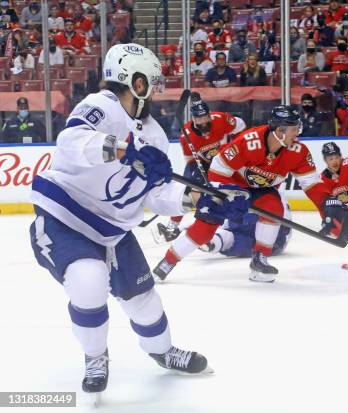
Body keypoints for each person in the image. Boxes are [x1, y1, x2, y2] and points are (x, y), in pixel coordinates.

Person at [28, 44, 223, 401]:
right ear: (135, 81)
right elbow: (71, 141)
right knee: (89, 280)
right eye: (151, 80)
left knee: (144, 300)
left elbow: (154, 195)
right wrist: (122, 150)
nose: (156, 87)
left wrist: (196, 200)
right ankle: (95, 357)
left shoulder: (155, 134)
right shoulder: (100, 105)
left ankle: (163, 351)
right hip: (66, 217)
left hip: (112, 229)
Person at [154, 106, 337, 284]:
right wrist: (226, 193)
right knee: (205, 226)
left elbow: (312, 184)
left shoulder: (298, 152)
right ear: (279, 131)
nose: (297, 133)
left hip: (262, 190)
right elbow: (218, 167)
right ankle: (167, 262)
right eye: (294, 129)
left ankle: (259, 261)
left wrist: (327, 207)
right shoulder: (249, 142)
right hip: (231, 184)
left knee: (274, 209)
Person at [154, 93, 246, 242]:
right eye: (199, 118)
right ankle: (172, 227)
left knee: (232, 188)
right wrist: (199, 176)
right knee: (187, 189)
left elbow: (241, 125)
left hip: (223, 159)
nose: (203, 121)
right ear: (194, 119)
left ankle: (231, 222)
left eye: (205, 117)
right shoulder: (187, 136)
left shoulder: (221, 120)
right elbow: (191, 161)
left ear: (209, 115)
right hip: (200, 163)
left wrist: (235, 147)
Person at [201, 196, 292, 258]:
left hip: (274, 238)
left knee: (234, 240)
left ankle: (213, 241)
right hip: (246, 227)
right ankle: (212, 238)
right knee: (231, 237)